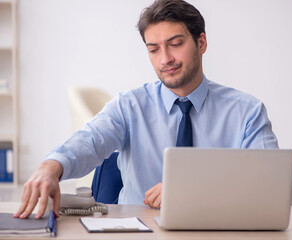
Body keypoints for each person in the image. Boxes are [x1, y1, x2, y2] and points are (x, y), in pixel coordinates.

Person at [14, 0, 278, 219]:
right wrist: (51, 166)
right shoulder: (130, 105)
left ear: (201, 43)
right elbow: (90, 140)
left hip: (219, 226)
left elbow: (270, 182)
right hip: (138, 228)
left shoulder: (247, 111)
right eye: (154, 49)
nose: (165, 59)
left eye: (175, 44)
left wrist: (195, 188)